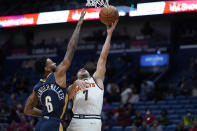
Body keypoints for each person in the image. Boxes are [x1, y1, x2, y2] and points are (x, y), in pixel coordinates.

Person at [24, 9, 86, 131]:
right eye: (51, 62)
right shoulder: (57, 74)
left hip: (40, 125)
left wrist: (45, 114)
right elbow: (71, 48)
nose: (55, 62)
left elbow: (27, 110)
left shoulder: (37, 87)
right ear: (47, 68)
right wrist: (78, 25)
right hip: (54, 124)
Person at [67, 20, 118, 131]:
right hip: (74, 120)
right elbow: (67, 97)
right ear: (76, 76)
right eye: (80, 70)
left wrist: (109, 34)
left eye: (84, 68)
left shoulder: (97, 80)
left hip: (91, 120)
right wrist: (75, 84)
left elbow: (103, 57)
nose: (82, 68)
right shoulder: (74, 85)